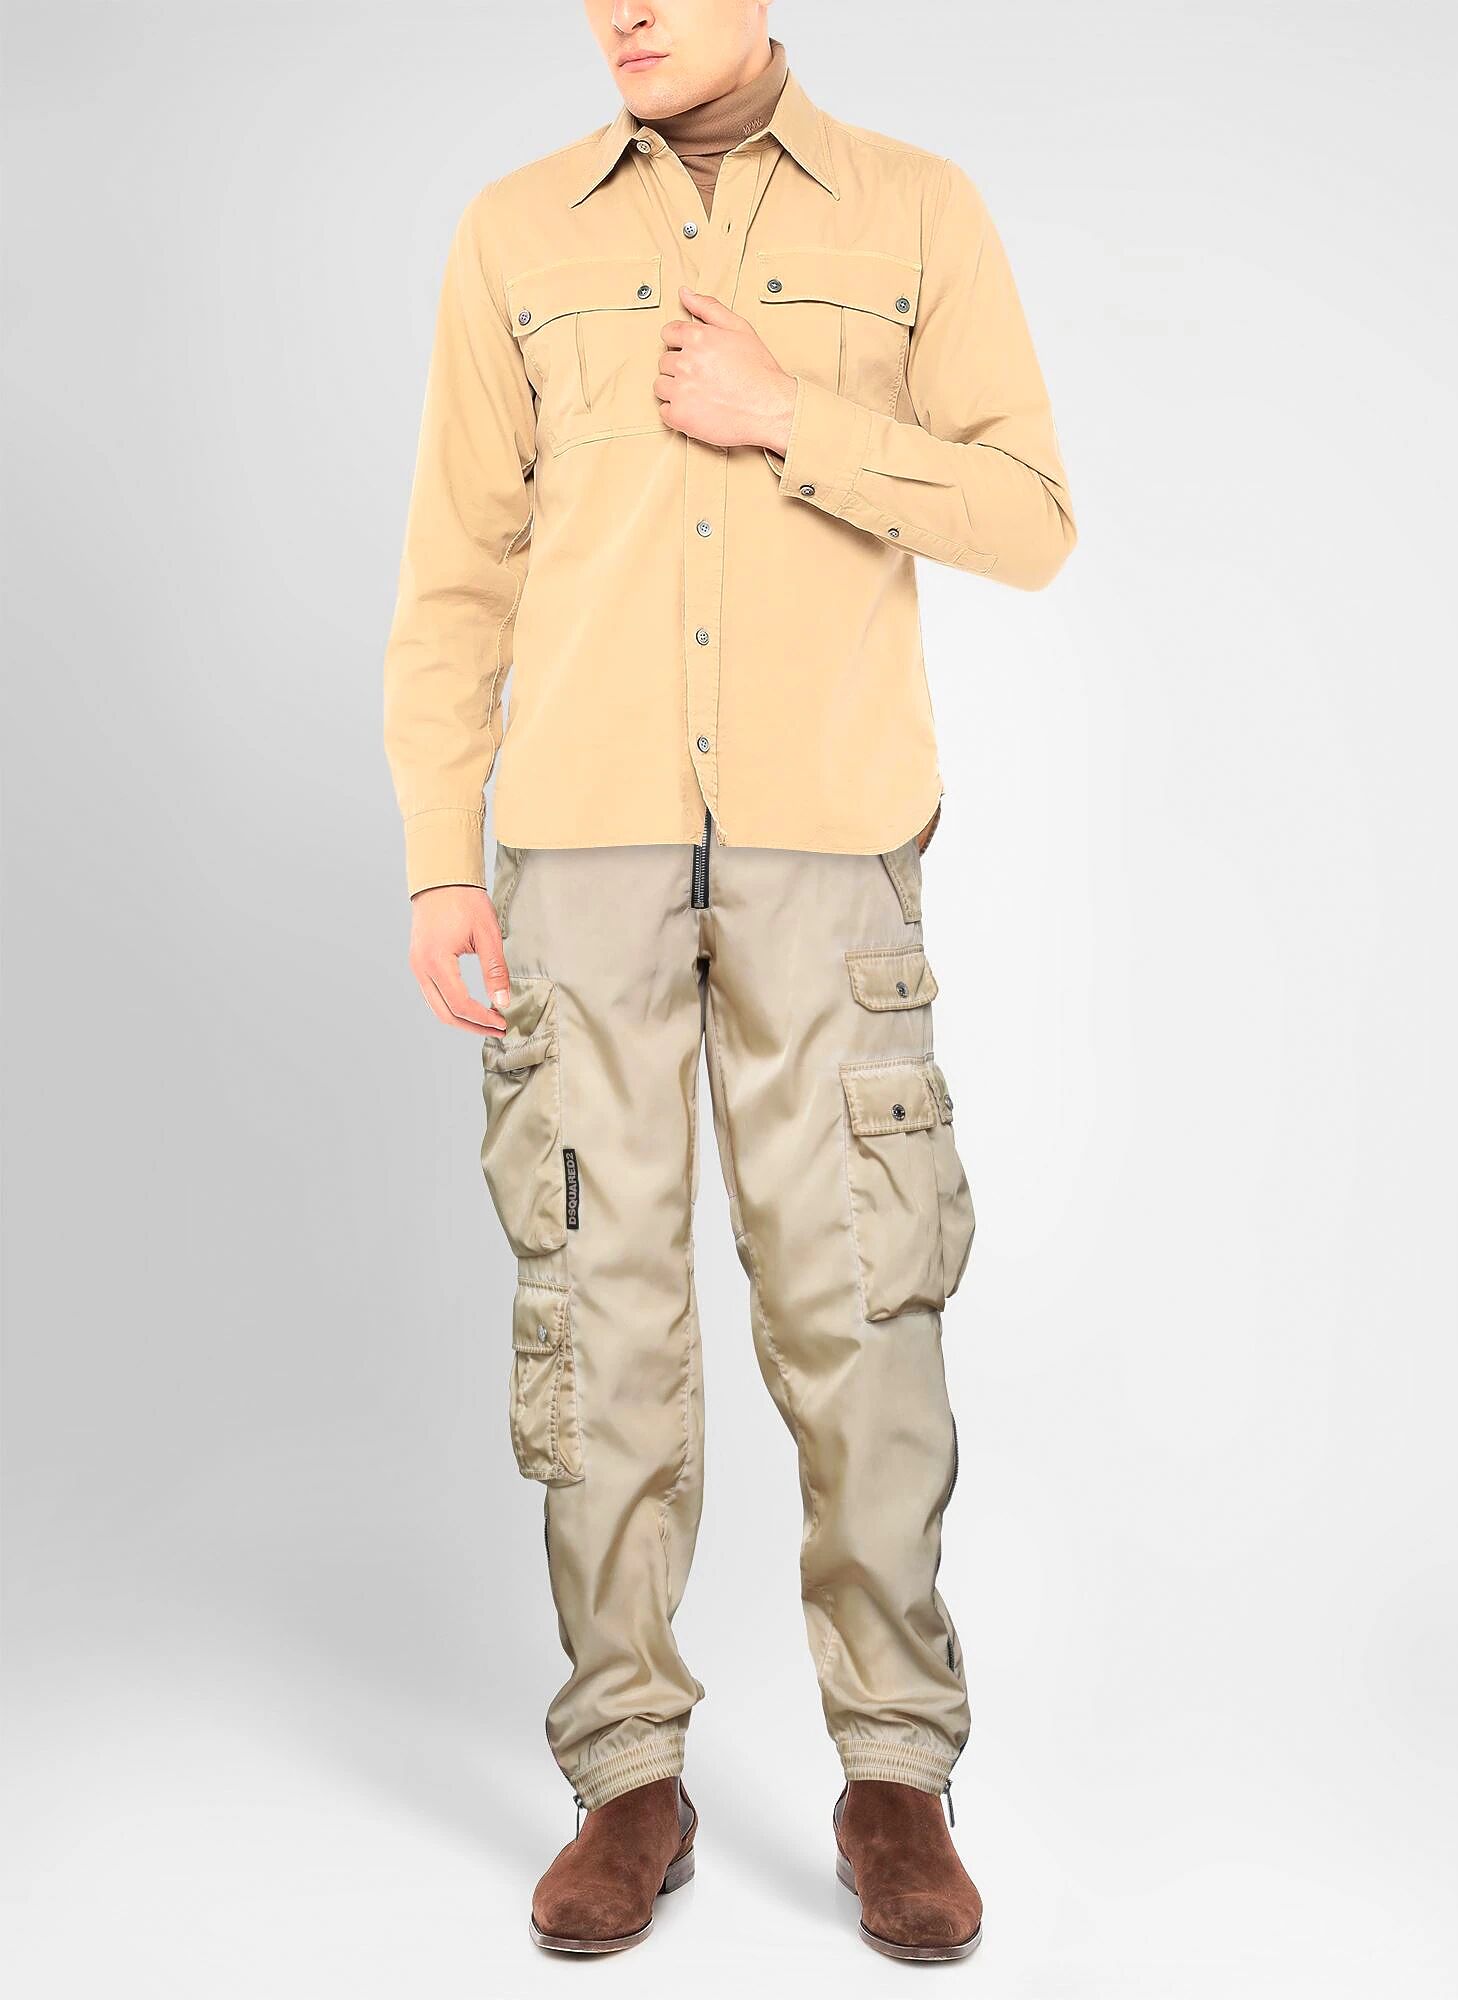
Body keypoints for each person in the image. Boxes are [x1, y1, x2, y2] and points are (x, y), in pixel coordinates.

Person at [383, 0, 1075, 1962]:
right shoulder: (514, 233)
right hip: (578, 847)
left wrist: (797, 418)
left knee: (862, 1303)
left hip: (825, 843)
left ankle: (894, 1777)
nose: (617, 7)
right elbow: (457, 571)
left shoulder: (916, 211)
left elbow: (1031, 518)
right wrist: (442, 851)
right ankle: (627, 1775)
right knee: (595, 1314)